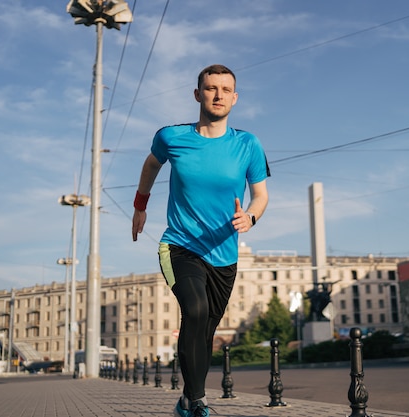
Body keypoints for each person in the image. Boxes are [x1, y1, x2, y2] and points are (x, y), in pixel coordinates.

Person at [132, 64, 269, 417]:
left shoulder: (247, 144)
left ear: (235, 98)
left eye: (225, 89)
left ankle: (185, 401)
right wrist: (140, 207)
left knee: (205, 330)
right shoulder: (172, 137)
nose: (218, 94)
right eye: (211, 88)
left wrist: (250, 217)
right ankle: (197, 401)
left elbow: (261, 196)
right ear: (198, 94)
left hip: (223, 255)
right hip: (179, 245)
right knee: (195, 310)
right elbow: (150, 166)